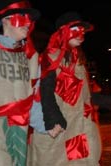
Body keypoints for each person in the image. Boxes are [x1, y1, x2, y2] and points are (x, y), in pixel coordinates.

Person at [27, 11, 102, 166]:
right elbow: (44, 91)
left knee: (81, 160)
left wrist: (109, 100)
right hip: (58, 126)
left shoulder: (78, 60)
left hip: (80, 126)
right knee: (55, 160)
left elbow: (84, 95)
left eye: (82, 31)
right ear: (63, 32)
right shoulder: (51, 58)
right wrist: (51, 118)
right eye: (76, 30)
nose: (81, 35)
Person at [0, 0, 41, 165]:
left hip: (19, 133)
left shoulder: (30, 57)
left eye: (29, 18)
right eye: (22, 16)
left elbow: (33, 96)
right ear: (5, 19)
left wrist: (45, 123)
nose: (28, 23)